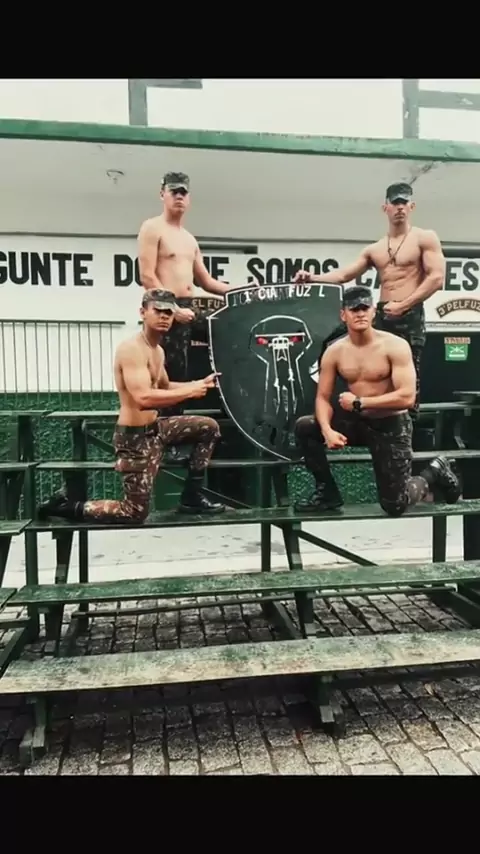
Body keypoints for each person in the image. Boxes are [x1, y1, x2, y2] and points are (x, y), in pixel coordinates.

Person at [38, 290, 226, 524]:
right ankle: (67, 507)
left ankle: (192, 496)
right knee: (134, 512)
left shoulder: (158, 350)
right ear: (142, 313)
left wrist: (198, 384)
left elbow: (165, 386)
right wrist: (190, 392)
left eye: (169, 312)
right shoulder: (131, 349)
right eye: (158, 310)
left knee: (208, 427)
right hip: (134, 439)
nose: (164, 316)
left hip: (157, 429)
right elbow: (142, 398)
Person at [294, 285, 461, 516]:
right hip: (356, 423)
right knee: (305, 426)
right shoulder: (335, 351)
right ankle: (327, 493)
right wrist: (327, 431)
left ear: (374, 312)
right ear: (343, 314)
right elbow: (322, 397)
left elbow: (407, 397)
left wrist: (360, 402)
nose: (360, 313)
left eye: (365, 308)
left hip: (390, 425)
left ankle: (435, 471)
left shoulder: (395, 346)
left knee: (395, 505)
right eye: (354, 309)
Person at [294, 182, 446, 419]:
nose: (400, 208)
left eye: (404, 203)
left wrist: (404, 305)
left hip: (409, 313)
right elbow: (344, 275)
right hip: (382, 312)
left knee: (407, 372)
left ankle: (406, 427)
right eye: (395, 203)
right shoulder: (375, 249)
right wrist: (312, 277)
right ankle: (338, 405)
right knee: (336, 342)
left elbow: (436, 278)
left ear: (412, 206)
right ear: (385, 208)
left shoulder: (424, 238)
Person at [137, 171, 237, 414]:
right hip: (166, 309)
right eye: (174, 192)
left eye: (183, 192)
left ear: (189, 198)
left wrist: (241, 291)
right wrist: (172, 309)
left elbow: (207, 282)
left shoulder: (189, 239)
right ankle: (170, 425)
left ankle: (231, 402)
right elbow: (147, 276)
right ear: (162, 194)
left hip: (189, 307)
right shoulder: (152, 228)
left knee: (228, 330)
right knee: (173, 372)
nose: (179, 196)